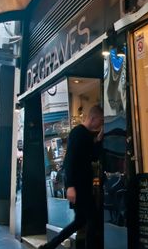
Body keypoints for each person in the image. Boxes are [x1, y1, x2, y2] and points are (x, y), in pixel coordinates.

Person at [39, 105, 104, 249]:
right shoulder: (78, 133)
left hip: (82, 185)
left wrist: (98, 140)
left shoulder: (85, 134)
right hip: (80, 187)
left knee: (80, 221)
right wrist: (70, 186)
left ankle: (49, 246)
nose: (101, 123)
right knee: (93, 219)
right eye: (100, 120)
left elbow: (91, 156)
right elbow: (69, 160)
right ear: (93, 118)